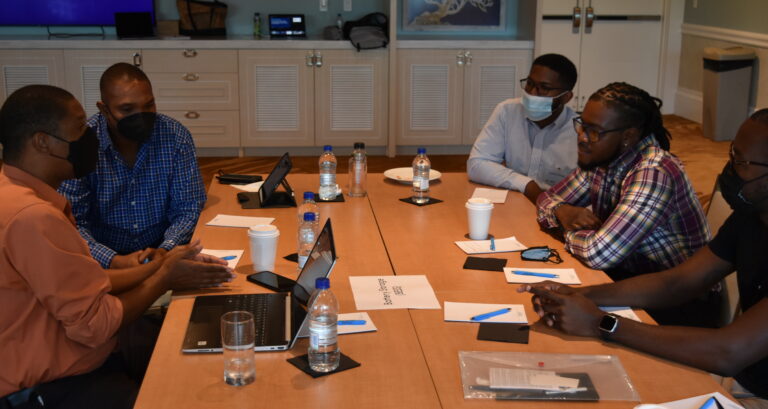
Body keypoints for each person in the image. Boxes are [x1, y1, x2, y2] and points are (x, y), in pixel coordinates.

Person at [0, 85, 233, 409]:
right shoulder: (32, 217)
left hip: (74, 353)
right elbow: (94, 326)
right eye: (80, 129)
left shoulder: (15, 192)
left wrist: (159, 266)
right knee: (190, 382)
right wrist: (163, 278)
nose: (89, 138)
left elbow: (84, 283)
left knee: (194, 341)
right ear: (42, 141)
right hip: (54, 383)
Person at [519, 108, 768, 408]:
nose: (728, 169)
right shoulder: (751, 217)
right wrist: (579, 294)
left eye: (740, 162)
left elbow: (728, 352)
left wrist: (600, 322)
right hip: (748, 378)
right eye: (731, 154)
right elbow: (678, 282)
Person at [536, 82, 716, 326]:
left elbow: (598, 253)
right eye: (582, 125)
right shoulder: (603, 156)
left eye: (594, 131)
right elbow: (547, 198)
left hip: (679, 302)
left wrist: (565, 228)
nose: (582, 138)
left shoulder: (654, 172)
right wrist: (561, 210)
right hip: (629, 278)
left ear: (628, 136)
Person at [59, 62, 206, 269]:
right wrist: (113, 260)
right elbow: (72, 222)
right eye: (127, 109)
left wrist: (165, 249)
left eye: (149, 105)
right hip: (99, 259)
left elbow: (188, 208)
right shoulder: (83, 143)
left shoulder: (175, 136)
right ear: (104, 109)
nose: (141, 115)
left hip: (161, 251)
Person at [467, 53, 578, 203]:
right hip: (515, 202)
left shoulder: (580, 131)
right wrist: (527, 185)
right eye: (530, 84)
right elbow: (477, 164)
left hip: (560, 207)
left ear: (566, 97)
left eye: (544, 88)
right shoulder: (507, 111)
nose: (532, 93)